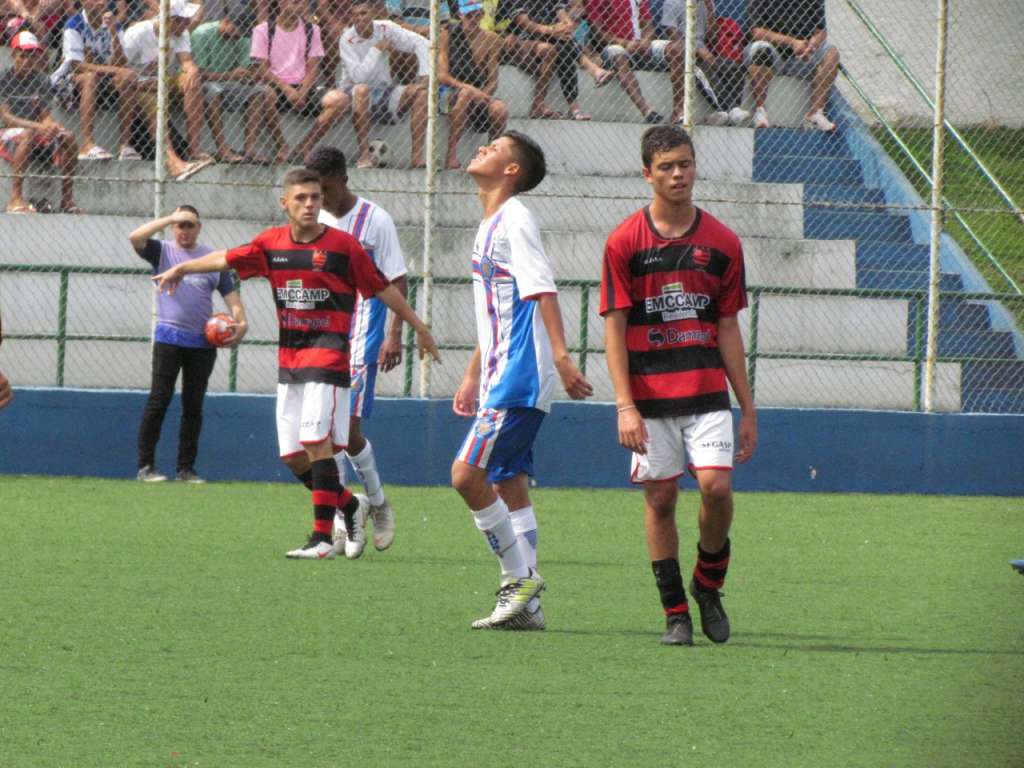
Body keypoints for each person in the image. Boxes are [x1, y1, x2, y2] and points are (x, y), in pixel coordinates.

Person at [154, 168, 440, 559]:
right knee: (292, 456)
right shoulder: (271, 244)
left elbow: (382, 287)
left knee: (316, 443)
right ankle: (351, 506)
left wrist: (419, 327)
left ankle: (321, 539)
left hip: (329, 358)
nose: (309, 204)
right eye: (301, 198)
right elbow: (228, 257)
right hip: (290, 361)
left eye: (315, 197)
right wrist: (183, 266)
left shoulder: (344, 246)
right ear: (284, 203)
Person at [599, 125, 757, 646]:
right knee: (661, 498)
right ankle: (675, 614)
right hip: (648, 398)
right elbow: (615, 329)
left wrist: (748, 408)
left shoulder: (723, 243)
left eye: (685, 164)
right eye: (666, 167)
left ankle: (708, 585)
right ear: (647, 174)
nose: (677, 174)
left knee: (717, 487)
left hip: (706, 392)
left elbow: (728, 327)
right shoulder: (624, 241)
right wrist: (624, 405)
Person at [452, 131, 593, 629]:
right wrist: (473, 374)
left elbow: (541, 289)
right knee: (509, 484)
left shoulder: (515, 217)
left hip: (521, 374)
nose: (481, 148)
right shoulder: (489, 225)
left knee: (466, 477)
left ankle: (519, 578)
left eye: (493, 148)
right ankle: (527, 610)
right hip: (501, 373)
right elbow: (498, 310)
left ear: (512, 171)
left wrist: (562, 357)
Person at [306, 146, 406, 555]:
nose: (320, 200)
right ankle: (346, 515)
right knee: (323, 432)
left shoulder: (375, 220)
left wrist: (394, 334)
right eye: (315, 192)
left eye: (326, 191)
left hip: (362, 336)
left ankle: (377, 504)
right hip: (320, 337)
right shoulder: (314, 220)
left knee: (345, 432)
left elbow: (397, 279)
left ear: (344, 181)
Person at [129, 205, 248, 483]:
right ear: (173, 227)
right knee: (159, 399)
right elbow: (135, 237)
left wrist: (241, 322)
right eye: (180, 225)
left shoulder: (212, 258)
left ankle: (186, 469)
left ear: (199, 227)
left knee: (193, 406)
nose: (184, 230)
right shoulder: (162, 251)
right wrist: (172, 216)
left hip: (202, 344)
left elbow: (232, 299)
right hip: (168, 339)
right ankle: (146, 466)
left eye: (189, 224)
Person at [320, 0, 429, 169]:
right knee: (362, 89)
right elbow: (358, 77)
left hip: (383, 90)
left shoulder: (386, 28)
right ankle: (364, 156)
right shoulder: (346, 38)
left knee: (421, 93)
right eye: (354, 15)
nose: (359, 18)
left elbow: (422, 43)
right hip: (351, 92)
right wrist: (376, 49)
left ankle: (417, 158)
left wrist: (423, 76)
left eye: (363, 13)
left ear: (372, 13)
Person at [119, 0, 213, 178]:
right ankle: (173, 163)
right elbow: (119, 71)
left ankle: (194, 149)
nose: (188, 23)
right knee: (154, 102)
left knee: (192, 81)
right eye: (184, 20)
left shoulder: (181, 33)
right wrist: (143, 83)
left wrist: (192, 70)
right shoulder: (137, 33)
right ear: (171, 20)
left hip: (163, 81)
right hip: (137, 86)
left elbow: (187, 62)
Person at [0, 30, 82, 214]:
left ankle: (67, 200)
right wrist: (39, 126)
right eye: (22, 56)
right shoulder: (3, 78)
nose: (27, 61)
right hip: (5, 132)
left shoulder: (42, 80)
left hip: (33, 131)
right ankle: (15, 199)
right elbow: (6, 117)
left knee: (68, 137)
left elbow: (45, 115)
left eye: (31, 56)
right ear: (14, 55)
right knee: (28, 134)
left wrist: (52, 126)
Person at [50, 0, 142, 161]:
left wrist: (114, 33)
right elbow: (78, 66)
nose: (101, 3)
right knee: (90, 77)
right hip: (69, 80)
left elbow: (121, 62)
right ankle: (87, 144)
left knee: (126, 79)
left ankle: (125, 146)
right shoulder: (74, 24)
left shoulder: (113, 24)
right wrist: (118, 70)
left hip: (104, 78)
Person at [190, 4, 278, 163]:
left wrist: (249, 77)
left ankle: (250, 148)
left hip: (230, 83)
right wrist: (231, 75)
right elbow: (198, 74)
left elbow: (244, 69)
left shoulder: (243, 37)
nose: (239, 35)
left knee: (258, 91)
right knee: (213, 90)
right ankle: (222, 148)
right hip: (205, 83)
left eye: (243, 32)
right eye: (237, 30)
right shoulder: (202, 33)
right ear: (226, 21)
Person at [501, 0, 612, 121]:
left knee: (564, 44)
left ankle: (573, 108)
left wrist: (566, 25)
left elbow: (561, 11)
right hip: (521, 39)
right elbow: (525, 24)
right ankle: (593, 73)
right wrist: (552, 29)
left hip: (551, 36)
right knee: (561, 42)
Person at [249, 0, 326, 162]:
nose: (301, 6)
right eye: (295, 2)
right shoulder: (263, 30)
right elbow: (262, 68)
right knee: (266, 94)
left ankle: (305, 146)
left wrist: (303, 92)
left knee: (339, 100)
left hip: (304, 86)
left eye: (303, 3)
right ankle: (282, 145)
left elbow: (313, 67)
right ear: (282, 3)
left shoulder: (312, 30)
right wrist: (288, 90)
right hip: (275, 85)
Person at [745, 0, 839, 131]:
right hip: (773, 53)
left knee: (831, 53)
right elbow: (757, 32)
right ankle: (760, 111)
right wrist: (792, 43)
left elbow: (820, 31)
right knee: (760, 49)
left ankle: (815, 113)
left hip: (802, 55)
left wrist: (810, 47)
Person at [585, 0, 681, 125]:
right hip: (615, 45)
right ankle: (647, 111)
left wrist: (645, 41)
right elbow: (598, 32)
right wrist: (625, 43)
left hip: (639, 45)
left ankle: (678, 112)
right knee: (618, 54)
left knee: (677, 49)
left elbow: (648, 26)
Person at [438, 0, 507, 169]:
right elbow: (442, 75)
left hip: (478, 93)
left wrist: (482, 94)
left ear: (482, 15)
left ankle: (491, 156)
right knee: (465, 94)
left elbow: (493, 81)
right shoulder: (448, 34)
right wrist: (467, 88)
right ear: (460, 15)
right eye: (468, 15)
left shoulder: (490, 39)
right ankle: (451, 154)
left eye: (477, 15)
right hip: (451, 90)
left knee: (500, 108)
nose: (473, 19)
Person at [661, 0, 749, 125]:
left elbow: (713, 38)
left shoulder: (707, 3)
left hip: (704, 51)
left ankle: (732, 110)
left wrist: (710, 12)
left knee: (734, 67)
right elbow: (672, 35)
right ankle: (731, 109)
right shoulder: (672, 2)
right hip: (682, 53)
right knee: (704, 70)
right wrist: (695, 49)